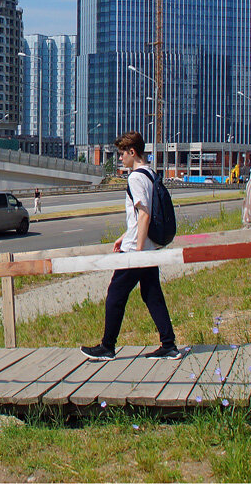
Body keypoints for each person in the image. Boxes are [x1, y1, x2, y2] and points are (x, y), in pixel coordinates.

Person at [81, 130, 182, 361]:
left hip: (137, 251)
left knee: (115, 294)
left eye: (121, 154)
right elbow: (141, 217)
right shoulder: (150, 173)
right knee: (152, 295)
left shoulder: (135, 177)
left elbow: (144, 214)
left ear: (132, 152)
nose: (120, 159)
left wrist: (136, 251)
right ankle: (169, 345)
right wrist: (125, 236)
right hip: (147, 247)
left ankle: (107, 346)